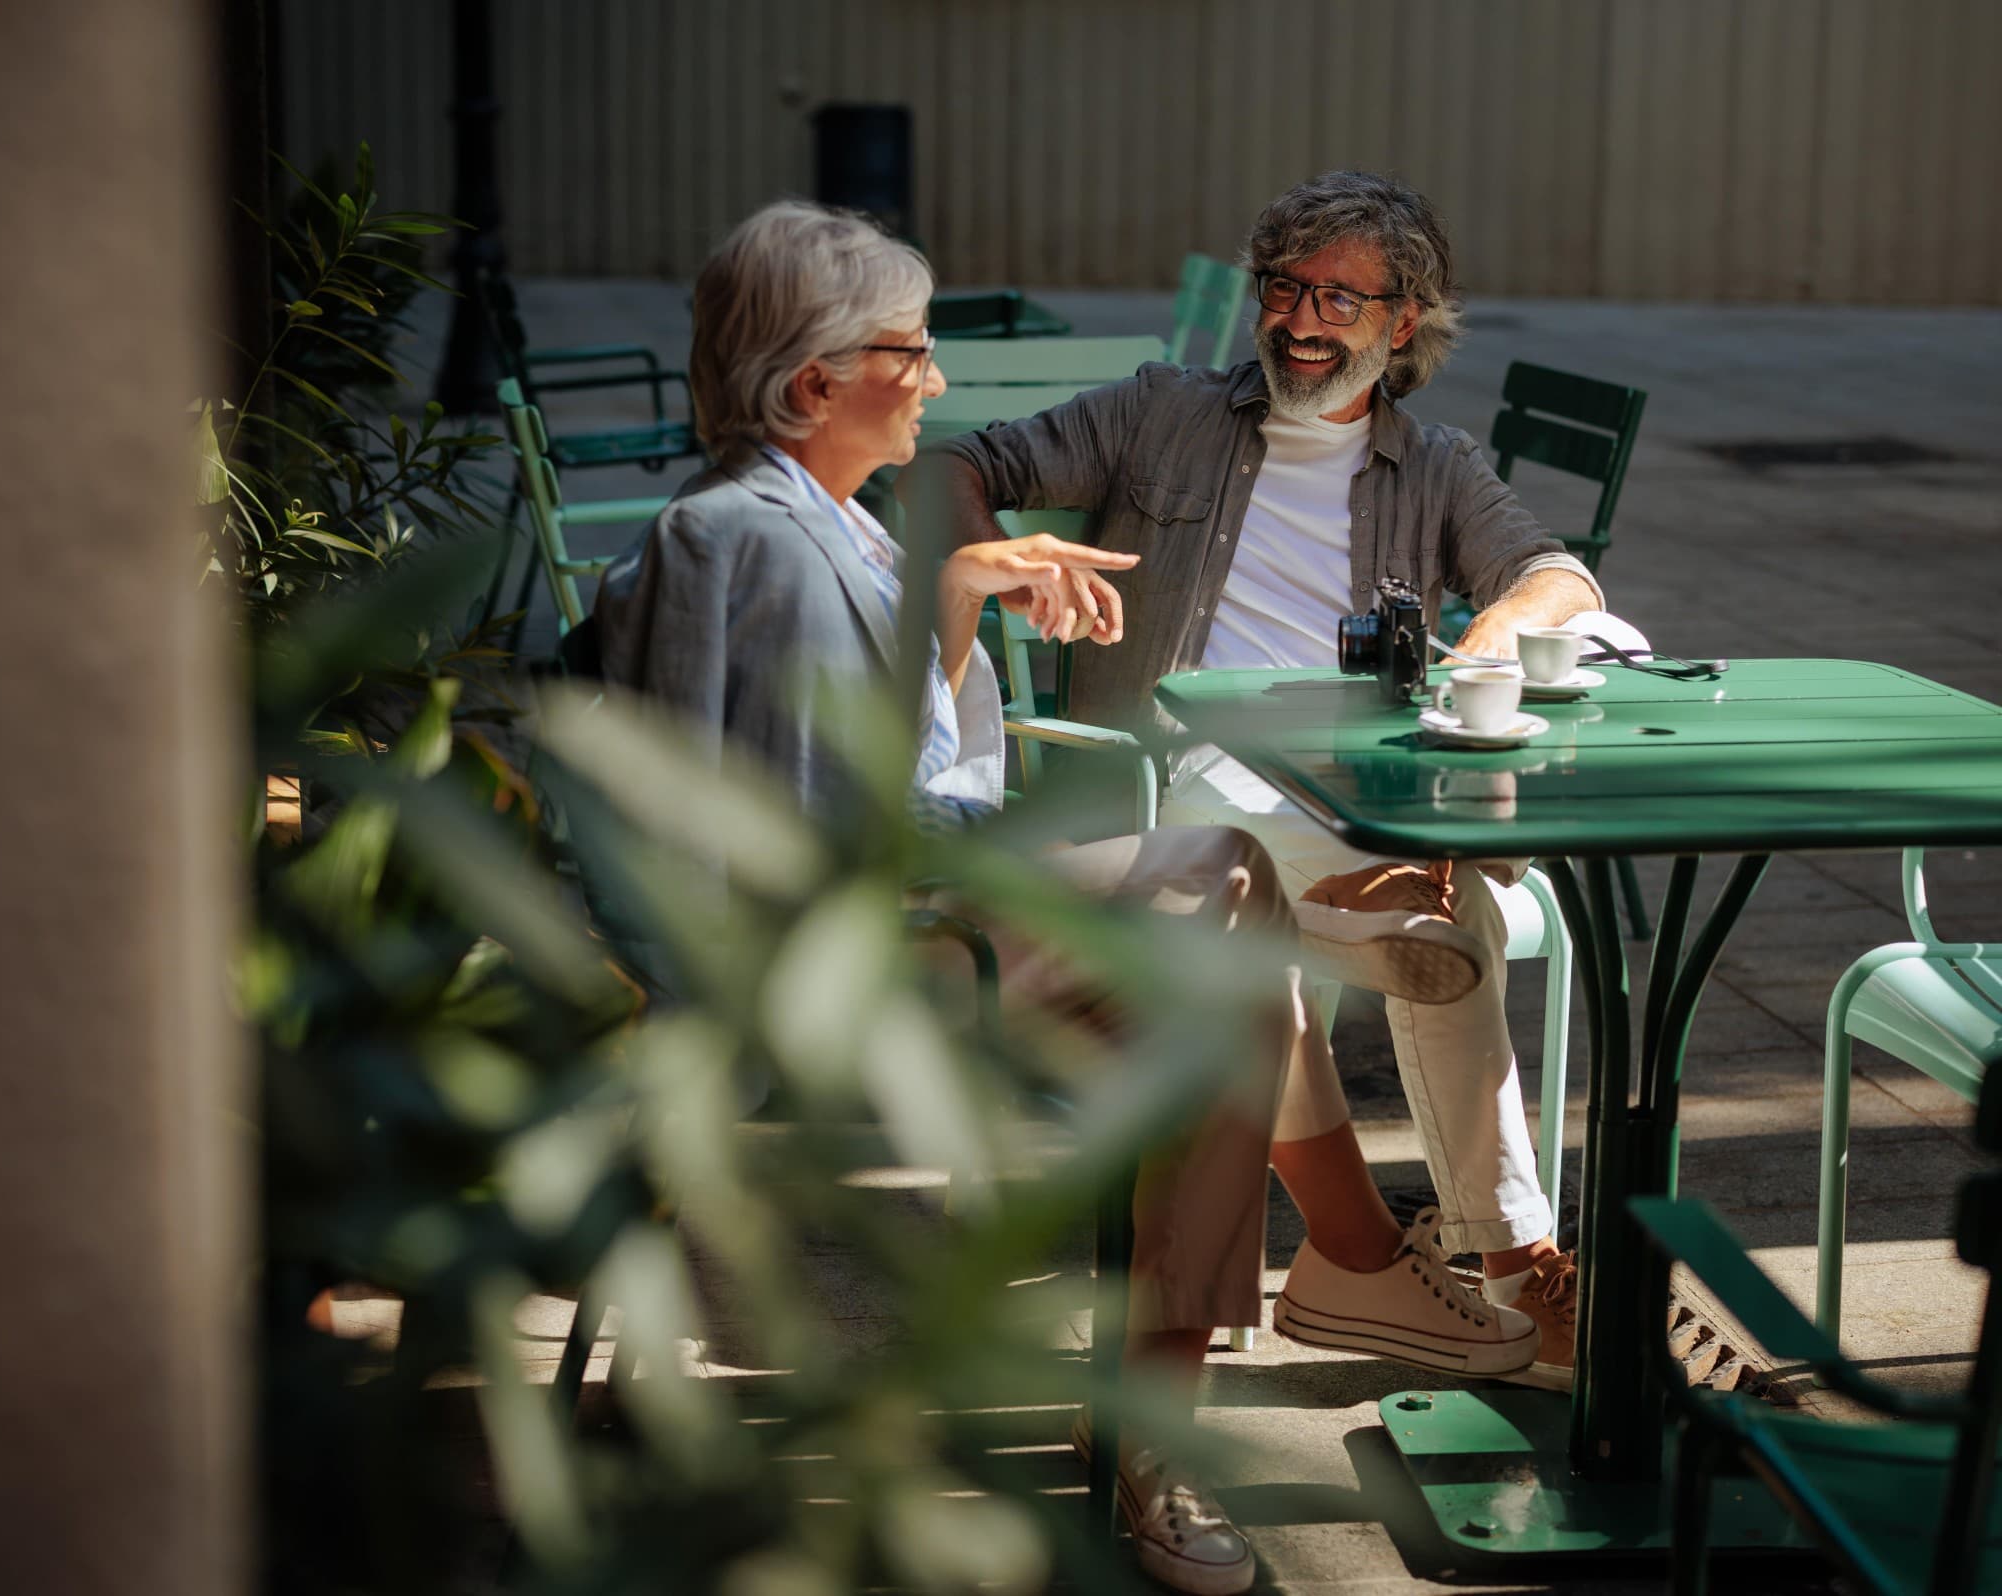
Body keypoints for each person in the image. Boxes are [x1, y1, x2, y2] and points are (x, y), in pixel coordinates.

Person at [593, 199, 1535, 1596]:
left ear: (1404, 327)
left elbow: (889, 771)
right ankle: (1210, 1385)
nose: (941, 381)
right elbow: (787, 849)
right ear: (813, 386)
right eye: (913, 353)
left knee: (1224, 946)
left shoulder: (816, 526)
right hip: (846, 974)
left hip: (918, 914)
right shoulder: (762, 547)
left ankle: (1270, 1319)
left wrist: (962, 595)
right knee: (1220, 915)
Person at [910, 171, 1604, 1391]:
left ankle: (1505, 1261)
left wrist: (1493, 635)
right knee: (1409, 909)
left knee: (1464, 925)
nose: (1301, 318)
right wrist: (987, 556)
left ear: (1404, 323)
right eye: (1283, 286)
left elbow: (1560, 578)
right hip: (1159, 787)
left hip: (1337, 794)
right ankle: (1497, 1254)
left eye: (1340, 296)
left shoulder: (1434, 466)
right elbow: (957, 460)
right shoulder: (1161, 411)